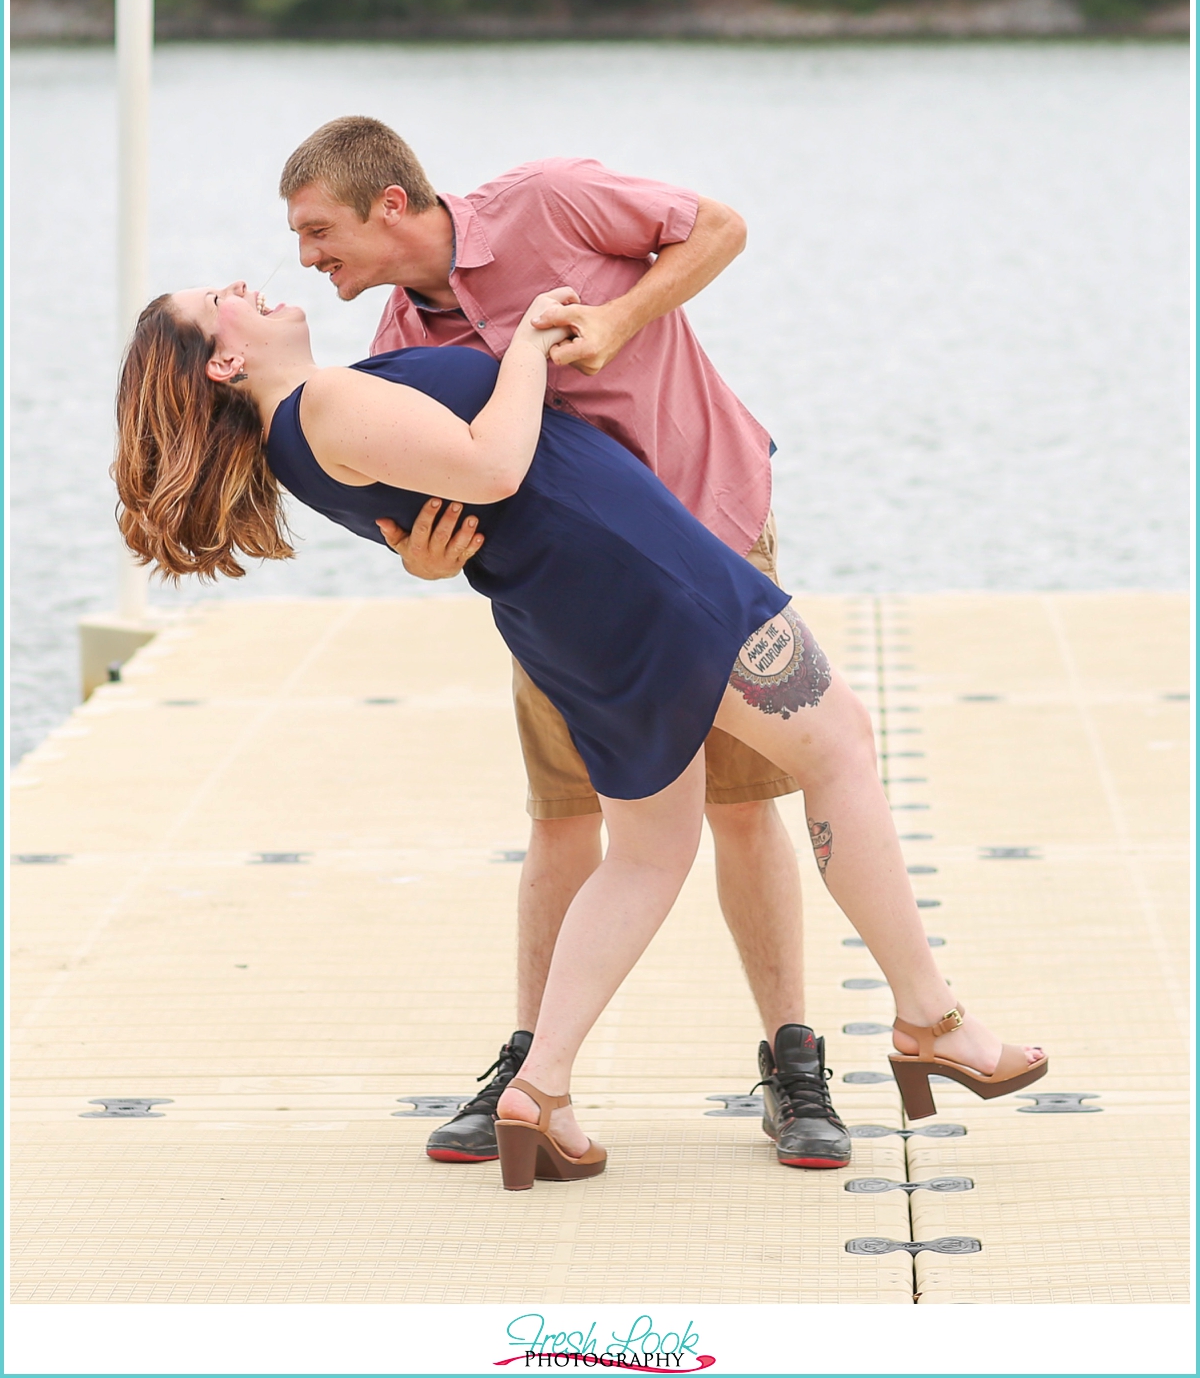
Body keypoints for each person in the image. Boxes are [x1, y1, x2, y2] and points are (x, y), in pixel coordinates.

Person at [113, 280, 1048, 1192]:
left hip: (567, 614)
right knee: (839, 743)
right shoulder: (324, 401)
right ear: (226, 360)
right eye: (217, 299)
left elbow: (452, 494)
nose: (246, 282)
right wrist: (523, 345)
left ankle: (541, 1088)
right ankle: (929, 1014)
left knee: (649, 852)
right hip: (638, 565)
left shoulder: (304, 440)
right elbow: (490, 467)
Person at [278, 117, 847, 1170]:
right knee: (563, 818)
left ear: (390, 204)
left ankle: (793, 1062)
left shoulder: (550, 198)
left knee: (742, 807)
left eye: (320, 231)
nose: (308, 259)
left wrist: (623, 319)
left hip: (712, 538)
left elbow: (720, 229)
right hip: (574, 602)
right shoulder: (397, 353)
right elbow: (428, 501)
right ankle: (533, 1070)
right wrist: (422, 562)